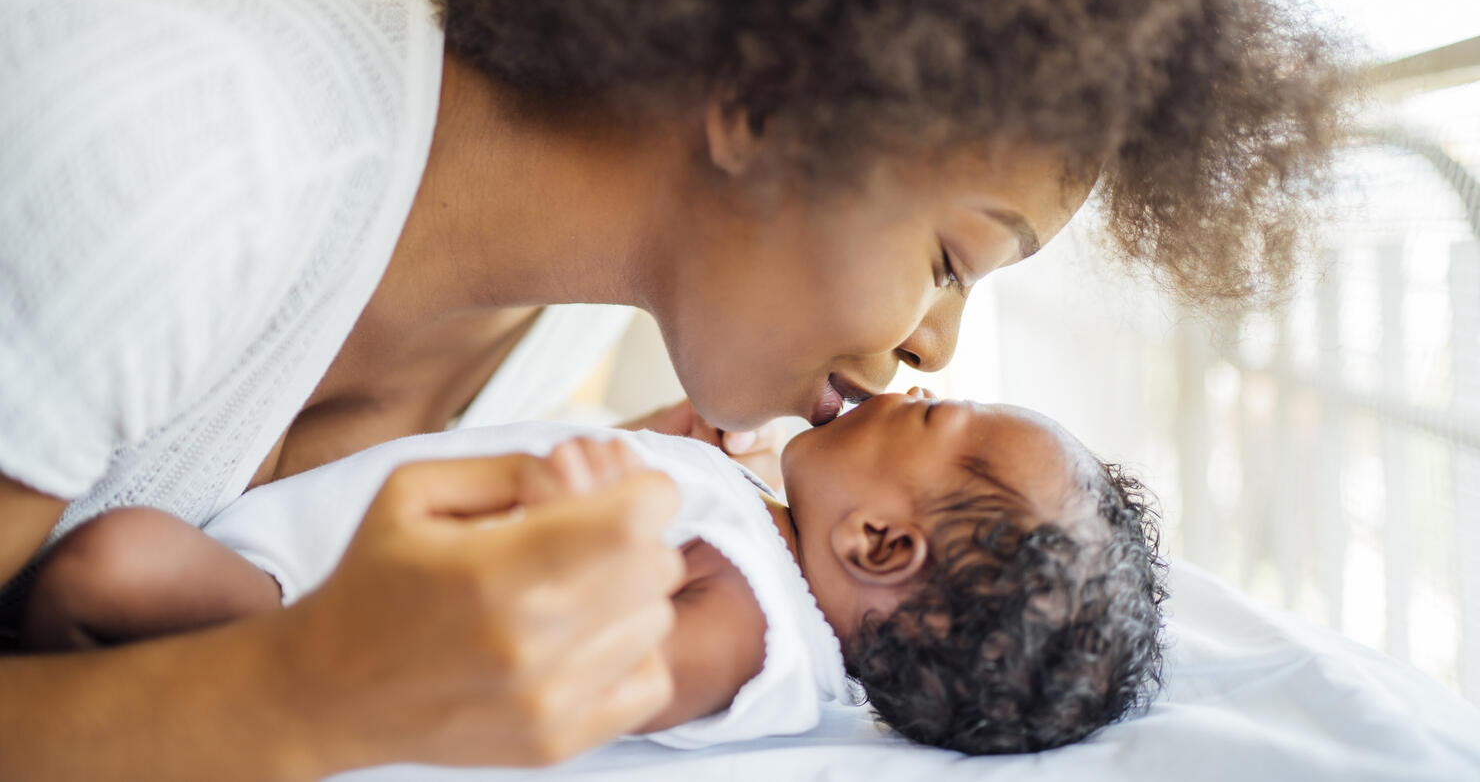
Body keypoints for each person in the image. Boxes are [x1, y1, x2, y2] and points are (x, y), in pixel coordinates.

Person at [0, 0, 1341, 775]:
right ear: (766, 94)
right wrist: (301, 689)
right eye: (950, 257)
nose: (934, 347)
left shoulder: (549, 334)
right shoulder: (164, 144)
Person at [22, 390, 1166, 756]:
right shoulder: (752, 518)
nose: (906, 387)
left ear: (878, 546)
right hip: (302, 560)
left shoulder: (750, 628)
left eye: (931, 418)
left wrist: (568, 532)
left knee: (109, 567)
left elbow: (599, 669)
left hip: (308, 614)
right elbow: (644, 465)